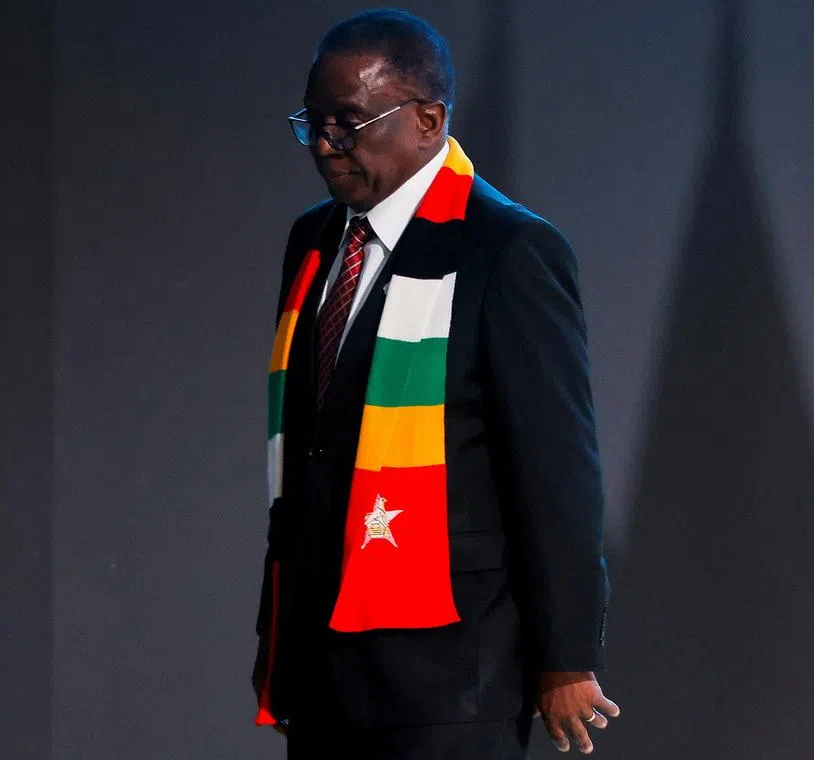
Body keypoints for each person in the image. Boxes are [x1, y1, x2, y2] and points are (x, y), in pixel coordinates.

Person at [252, 9, 618, 757]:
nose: (324, 146)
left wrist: (565, 654)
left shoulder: (507, 250)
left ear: (427, 118)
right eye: (313, 122)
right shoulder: (315, 241)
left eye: (348, 122)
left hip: (450, 673)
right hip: (322, 665)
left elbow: (556, 470)